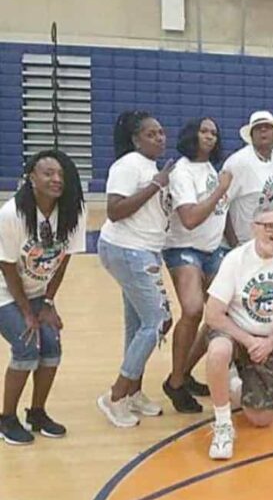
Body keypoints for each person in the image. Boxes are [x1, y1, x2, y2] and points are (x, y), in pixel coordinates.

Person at [205, 207, 273, 460]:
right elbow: (213, 314)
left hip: (267, 339)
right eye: (270, 226)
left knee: (261, 419)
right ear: (254, 227)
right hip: (235, 331)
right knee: (218, 352)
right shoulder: (236, 259)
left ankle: (234, 381)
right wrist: (249, 341)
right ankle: (223, 425)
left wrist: (272, 341)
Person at [0, 150, 86, 445]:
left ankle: (37, 413)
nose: (56, 179)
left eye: (60, 174)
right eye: (48, 173)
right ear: (31, 178)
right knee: (27, 346)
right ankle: (6, 419)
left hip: (37, 292)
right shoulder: (11, 214)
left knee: (51, 346)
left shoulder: (72, 212)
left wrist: (48, 303)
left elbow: (62, 261)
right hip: (4, 291)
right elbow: (7, 268)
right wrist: (27, 312)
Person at [97, 111, 174, 428]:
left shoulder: (151, 167)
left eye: (161, 132)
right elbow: (114, 211)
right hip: (127, 249)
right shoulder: (128, 165)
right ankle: (115, 396)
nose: (159, 138)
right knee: (158, 320)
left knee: (140, 323)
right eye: (151, 134)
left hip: (145, 251)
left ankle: (133, 391)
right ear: (135, 139)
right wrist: (156, 185)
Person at [161, 117, 232, 413]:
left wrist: (234, 244)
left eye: (214, 132)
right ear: (192, 134)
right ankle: (176, 383)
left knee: (220, 312)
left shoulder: (210, 169)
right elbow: (189, 218)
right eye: (204, 131)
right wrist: (220, 189)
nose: (210, 136)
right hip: (184, 247)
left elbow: (222, 212)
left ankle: (182, 374)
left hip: (213, 249)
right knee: (192, 310)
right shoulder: (182, 171)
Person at [222, 110, 273, 246]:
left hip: (271, 242)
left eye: (267, 127)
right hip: (244, 244)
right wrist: (235, 245)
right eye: (258, 128)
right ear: (251, 136)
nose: (263, 130)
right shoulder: (237, 162)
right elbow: (221, 206)